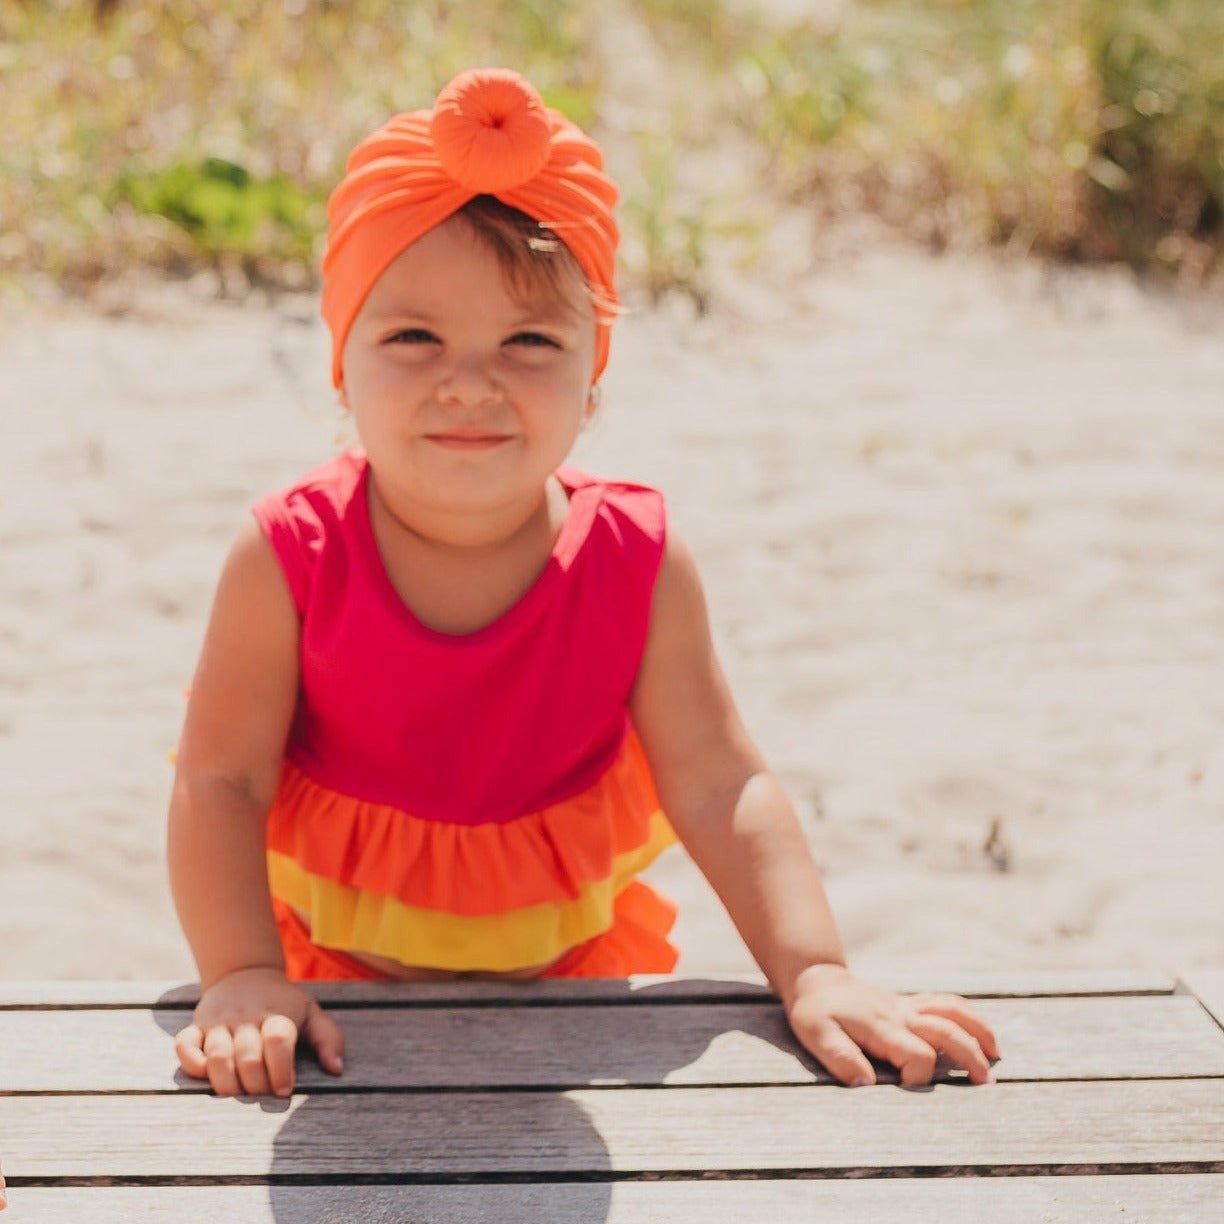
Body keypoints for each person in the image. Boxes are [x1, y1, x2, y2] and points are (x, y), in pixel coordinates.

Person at [168, 67, 999, 1099]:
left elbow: (720, 782)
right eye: (412, 336)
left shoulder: (634, 559)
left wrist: (814, 969)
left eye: (529, 342)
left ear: (592, 379)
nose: (469, 380)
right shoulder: (288, 553)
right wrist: (243, 973)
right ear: (341, 366)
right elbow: (222, 781)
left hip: (576, 990)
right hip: (329, 997)